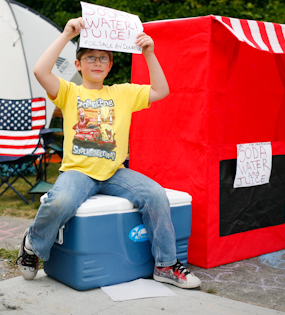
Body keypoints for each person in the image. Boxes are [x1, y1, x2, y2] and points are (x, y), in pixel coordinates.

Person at [18, 16, 201, 289]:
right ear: (78, 65)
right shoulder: (69, 92)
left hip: (115, 173)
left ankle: (165, 265)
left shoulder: (123, 93)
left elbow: (162, 90)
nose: (97, 63)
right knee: (59, 201)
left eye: (103, 58)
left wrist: (149, 53)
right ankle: (32, 242)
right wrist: (67, 35)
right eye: (90, 58)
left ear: (111, 65)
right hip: (78, 172)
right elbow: (40, 71)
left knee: (155, 194)